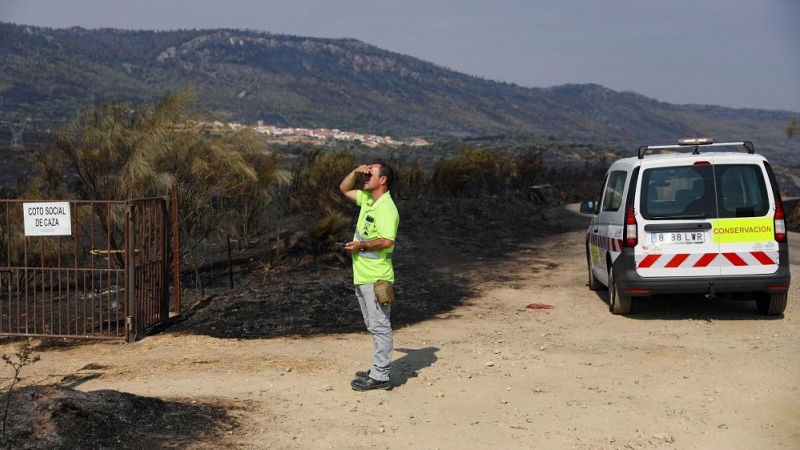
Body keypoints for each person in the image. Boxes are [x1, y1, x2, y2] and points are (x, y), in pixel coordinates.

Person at [339, 161, 400, 391]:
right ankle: (378, 368)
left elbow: (386, 241)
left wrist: (361, 246)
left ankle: (380, 375)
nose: (365, 177)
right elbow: (344, 189)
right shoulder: (368, 200)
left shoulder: (386, 208)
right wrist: (355, 171)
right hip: (363, 276)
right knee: (372, 324)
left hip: (377, 279)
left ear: (382, 180)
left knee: (380, 325)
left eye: (370, 173)